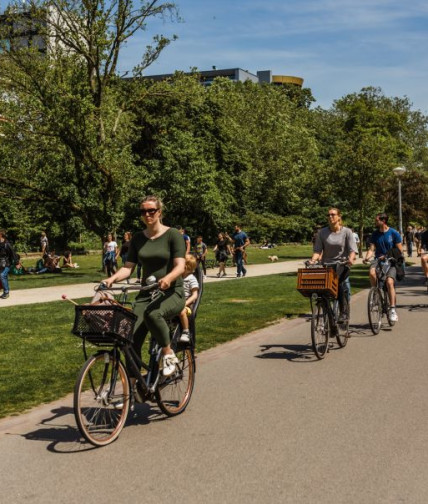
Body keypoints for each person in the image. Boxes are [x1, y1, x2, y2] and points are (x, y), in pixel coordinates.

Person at [103, 195, 186, 378]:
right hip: (146, 294)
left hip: (172, 292)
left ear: (159, 212)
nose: (147, 214)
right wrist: (111, 280)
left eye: (151, 210)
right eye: (143, 211)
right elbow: (127, 268)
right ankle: (134, 390)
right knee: (129, 338)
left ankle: (168, 353)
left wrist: (169, 278)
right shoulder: (138, 238)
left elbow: (180, 266)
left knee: (153, 313)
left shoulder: (173, 235)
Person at [310, 208, 357, 321]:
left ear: (339, 217)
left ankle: (344, 312)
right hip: (327, 265)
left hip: (342, 264)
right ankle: (328, 314)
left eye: (333, 214)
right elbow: (317, 251)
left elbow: (352, 250)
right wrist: (313, 260)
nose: (330, 217)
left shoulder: (347, 232)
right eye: (328, 215)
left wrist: (350, 259)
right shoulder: (322, 233)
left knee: (339, 284)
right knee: (322, 290)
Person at [363, 212, 403, 322]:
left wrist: (387, 256)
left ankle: (393, 309)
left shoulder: (393, 233)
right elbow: (371, 249)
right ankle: (375, 293)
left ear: (383, 221)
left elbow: (400, 250)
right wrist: (367, 257)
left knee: (389, 282)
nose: (375, 222)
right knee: (372, 272)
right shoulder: (375, 234)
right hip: (378, 260)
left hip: (391, 261)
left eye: (377, 220)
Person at [179, 254, 199, 343]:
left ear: (187, 268)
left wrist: (185, 303)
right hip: (176, 302)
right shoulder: (178, 277)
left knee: (181, 311)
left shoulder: (192, 279)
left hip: (187, 306)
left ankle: (186, 331)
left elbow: (195, 295)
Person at [0, 230, 17, 299]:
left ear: (1, 235)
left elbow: (13, 253)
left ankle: (6, 292)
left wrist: (17, 262)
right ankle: (5, 291)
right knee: (4, 277)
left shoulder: (7, 244)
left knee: (2, 275)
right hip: (0, 263)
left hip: (7, 263)